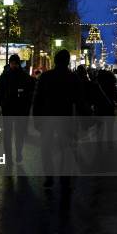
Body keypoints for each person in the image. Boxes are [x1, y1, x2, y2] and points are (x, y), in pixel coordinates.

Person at [32, 49, 83, 188]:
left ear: (55, 61)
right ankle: (64, 177)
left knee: (46, 148)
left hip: (47, 117)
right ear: (67, 61)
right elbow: (79, 101)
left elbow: (37, 99)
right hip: (65, 117)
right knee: (65, 148)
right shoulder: (73, 78)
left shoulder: (45, 77)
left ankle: (49, 177)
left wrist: (36, 119)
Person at [0, 54, 36, 164]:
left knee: (11, 133)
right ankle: (15, 154)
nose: (14, 65)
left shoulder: (6, 76)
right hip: (18, 109)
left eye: (14, 63)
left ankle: (12, 156)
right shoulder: (24, 76)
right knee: (17, 133)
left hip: (11, 108)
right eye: (13, 63)